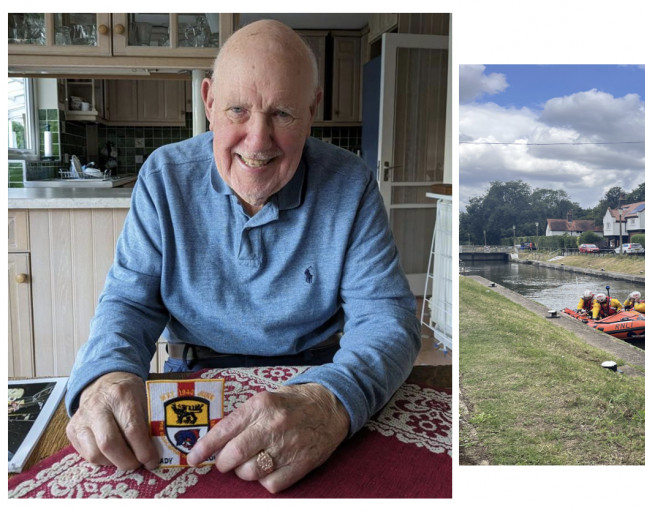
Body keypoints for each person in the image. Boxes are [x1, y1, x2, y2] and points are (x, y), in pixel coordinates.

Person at [63, 20, 420, 495]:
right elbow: (129, 303)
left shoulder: (350, 183)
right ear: (209, 101)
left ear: (312, 109)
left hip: (314, 381)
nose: (257, 141)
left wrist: (329, 400)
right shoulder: (164, 177)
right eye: (237, 110)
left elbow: (387, 319)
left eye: (283, 114)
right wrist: (106, 375)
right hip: (193, 378)